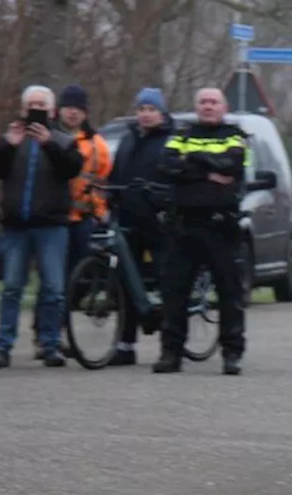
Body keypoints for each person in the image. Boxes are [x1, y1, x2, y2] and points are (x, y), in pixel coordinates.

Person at [0, 84, 84, 369]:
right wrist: (7, 146)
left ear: (51, 111)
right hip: (16, 226)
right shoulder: (12, 139)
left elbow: (71, 170)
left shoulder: (63, 140)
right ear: (23, 109)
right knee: (12, 287)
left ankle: (50, 345)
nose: (35, 110)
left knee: (53, 288)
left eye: (41, 106)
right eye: (31, 106)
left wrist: (49, 144)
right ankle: (3, 347)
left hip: (51, 226)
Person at [153, 87, 246, 376]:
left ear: (223, 107)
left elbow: (231, 165)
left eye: (213, 102)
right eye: (203, 102)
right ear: (196, 106)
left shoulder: (234, 134)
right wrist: (207, 172)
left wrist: (192, 164)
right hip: (183, 224)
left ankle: (232, 353)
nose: (207, 106)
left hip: (220, 225)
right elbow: (166, 167)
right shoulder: (182, 134)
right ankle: (171, 353)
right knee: (175, 291)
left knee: (229, 292)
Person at [33, 83, 111, 360]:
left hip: (82, 219)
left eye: (78, 109)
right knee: (52, 279)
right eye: (68, 108)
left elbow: (100, 182)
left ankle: (58, 331)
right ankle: (44, 335)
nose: (73, 113)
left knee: (73, 280)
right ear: (59, 110)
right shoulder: (45, 135)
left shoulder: (98, 145)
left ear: (85, 112)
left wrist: (100, 212)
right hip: (54, 218)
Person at [106, 87, 174, 366]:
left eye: (151, 109)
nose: (145, 115)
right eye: (142, 109)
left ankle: (170, 344)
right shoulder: (128, 140)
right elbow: (116, 174)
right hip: (128, 220)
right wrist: (109, 194)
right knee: (125, 283)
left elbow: (174, 179)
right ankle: (125, 344)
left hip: (158, 222)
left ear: (161, 112)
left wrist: (160, 198)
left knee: (166, 281)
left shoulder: (170, 141)